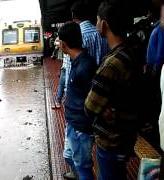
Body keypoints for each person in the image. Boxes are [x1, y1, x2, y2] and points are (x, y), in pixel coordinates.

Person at [84, 1, 140, 179]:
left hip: (111, 141)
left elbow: (89, 108)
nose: (96, 23)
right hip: (127, 137)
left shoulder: (112, 64)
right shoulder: (133, 52)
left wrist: (105, 110)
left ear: (104, 24)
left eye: (97, 19)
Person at [59, 21, 97, 180]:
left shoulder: (85, 66)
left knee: (83, 165)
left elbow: (92, 100)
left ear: (63, 43)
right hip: (73, 124)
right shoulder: (78, 61)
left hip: (81, 127)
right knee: (68, 156)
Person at [71, 0, 108, 66]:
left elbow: (71, 66)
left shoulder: (76, 36)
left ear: (73, 15)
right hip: (102, 74)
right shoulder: (103, 33)